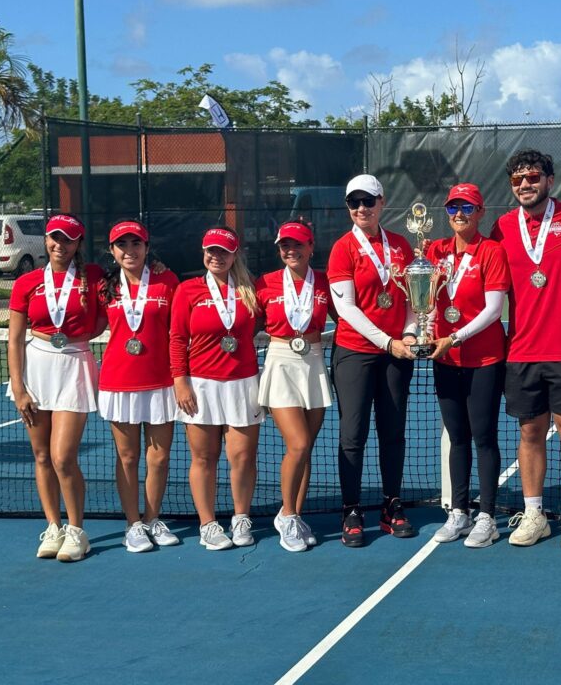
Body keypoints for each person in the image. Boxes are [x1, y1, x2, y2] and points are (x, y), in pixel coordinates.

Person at [490, 149, 561, 549]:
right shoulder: (502, 227)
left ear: (550, 180)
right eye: (518, 179)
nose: (526, 184)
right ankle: (535, 513)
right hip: (521, 350)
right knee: (529, 432)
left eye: (533, 177)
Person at [7, 214, 105, 562]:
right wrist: (19, 388)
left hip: (75, 365)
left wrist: (78, 340)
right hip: (36, 367)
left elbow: (107, 314)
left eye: (68, 239)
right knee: (42, 456)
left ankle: (77, 531)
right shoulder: (26, 282)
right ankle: (53, 526)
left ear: (78, 244)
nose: (59, 245)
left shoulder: (93, 277)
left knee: (64, 457)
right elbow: (15, 338)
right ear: (46, 240)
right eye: (54, 238)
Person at [327, 173, 418, 547]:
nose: (361, 208)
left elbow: (415, 300)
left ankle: (390, 505)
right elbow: (345, 307)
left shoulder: (401, 246)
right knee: (353, 434)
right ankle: (351, 509)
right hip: (356, 353)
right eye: (354, 202)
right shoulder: (342, 248)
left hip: (397, 352)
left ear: (382, 202)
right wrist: (388, 342)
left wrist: (410, 333)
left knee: (393, 431)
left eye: (368, 201)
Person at [426, 183, 510, 548]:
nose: (458, 215)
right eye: (452, 208)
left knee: (483, 437)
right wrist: (423, 330)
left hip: (484, 359)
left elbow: (493, 310)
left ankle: (488, 516)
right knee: (456, 438)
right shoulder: (434, 251)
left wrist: (455, 337)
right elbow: (425, 300)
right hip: (445, 359)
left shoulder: (491, 251)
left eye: (466, 208)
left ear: (480, 212)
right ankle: (459, 511)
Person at [170, 227, 264, 551]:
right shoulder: (187, 290)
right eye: (210, 250)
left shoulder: (251, 289)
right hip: (201, 385)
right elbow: (178, 339)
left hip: (243, 383)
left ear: (235, 254)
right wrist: (180, 381)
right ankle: (208, 524)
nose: (216, 256)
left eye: (223, 251)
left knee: (243, 457)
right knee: (204, 458)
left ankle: (241, 518)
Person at [97, 220, 181, 553]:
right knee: (128, 456)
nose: (129, 251)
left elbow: (178, 332)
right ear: (112, 250)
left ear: (147, 248)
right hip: (119, 381)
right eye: (122, 245)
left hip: (161, 381)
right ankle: (133, 525)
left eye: (136, 244)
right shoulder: (103, 285)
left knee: (159, 459)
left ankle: (152, 518)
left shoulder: (167, 281)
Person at [255, 220, 333, 552]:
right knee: (298, 444)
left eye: (298, 245)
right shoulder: (264, 283)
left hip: (313, 363)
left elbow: (347, 320)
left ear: (311, 247)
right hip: (280, 362)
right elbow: (245, 325)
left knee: (307, 448)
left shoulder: (326, 282)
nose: (291, 250)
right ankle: (286, 515)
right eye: (285, 245)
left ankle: (297, 516)